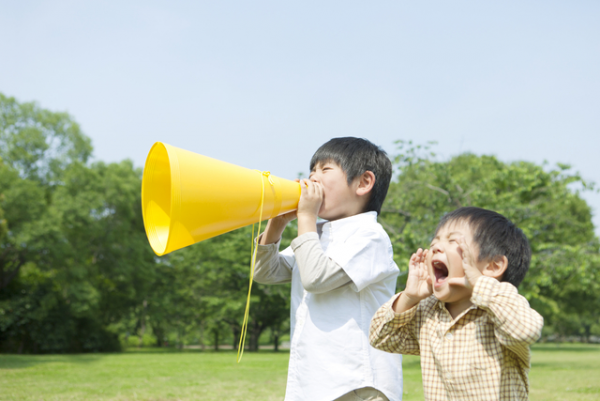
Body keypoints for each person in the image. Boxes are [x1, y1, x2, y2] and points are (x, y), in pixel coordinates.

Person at [254, 137, 403, 401]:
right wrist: (275, 225)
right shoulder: (317, 234)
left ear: (364, 183)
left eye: (325, 169)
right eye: (312, 170)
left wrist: (306, 217)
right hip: (318, 380)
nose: (312, 178)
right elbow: (266, 273)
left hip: (356, 383)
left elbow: (315, 278)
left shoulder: (370, 236)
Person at [369, 207, 544, 400]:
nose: (436, 247)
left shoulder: (500, 311)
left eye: (453, 241)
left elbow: (526, 329)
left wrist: (479, 284)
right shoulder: (428, 312)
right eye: (434, 242)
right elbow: (380, 337)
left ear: (493, 266)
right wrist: (410, 297)